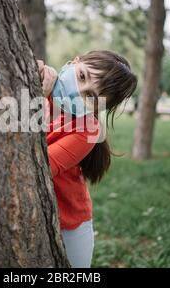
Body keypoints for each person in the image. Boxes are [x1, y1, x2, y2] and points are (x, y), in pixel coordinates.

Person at [37, 50, 138, 267]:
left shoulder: (87, 130)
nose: (78, 91)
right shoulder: (38, 83)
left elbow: (36, 168)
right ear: (74, 62)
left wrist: (37, 99)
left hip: (69, 225)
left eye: (90, 97)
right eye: (82, 76)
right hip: (30, 215)